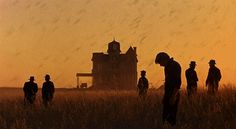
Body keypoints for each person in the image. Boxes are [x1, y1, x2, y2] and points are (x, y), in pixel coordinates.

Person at [155, 52, 181, 126]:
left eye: (160, 62)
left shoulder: (175, 65)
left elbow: (177, 83)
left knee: (171, 118)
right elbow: (167, 82)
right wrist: (165, 96)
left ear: (164, 59)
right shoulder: (167, 67)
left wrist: (173, 97)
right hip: (168, 94)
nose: (160, 65)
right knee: (165, 117)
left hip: (173, 94)